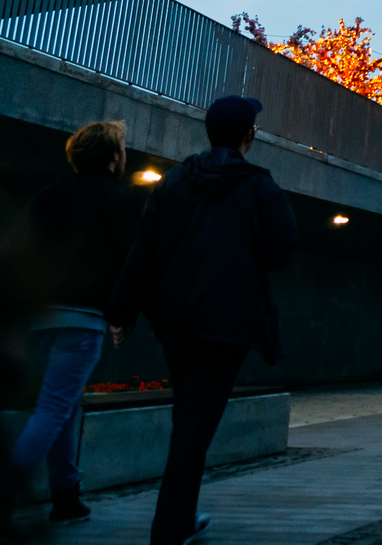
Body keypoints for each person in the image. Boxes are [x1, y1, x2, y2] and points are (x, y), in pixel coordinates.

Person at [107, 97, 298, 545]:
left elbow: (144, 250)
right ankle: (171, 526)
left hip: (176, 319)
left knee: (189, 418)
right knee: (195, 423)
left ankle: (179, 517)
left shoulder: (176, 181)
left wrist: (122, 311)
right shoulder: (259, 186)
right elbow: (285, 247)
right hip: (228, 323)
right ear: (249, 135)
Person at [10, 120, 144, 525]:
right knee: (54, 406)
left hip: (41, 315)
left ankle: (66, 494)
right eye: (121, 149)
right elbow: (130, 264)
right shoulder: (120, 200)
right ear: (112, 156)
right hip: (82, 317)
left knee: (63, 405)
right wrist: (123, 315)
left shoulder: (47, 197)